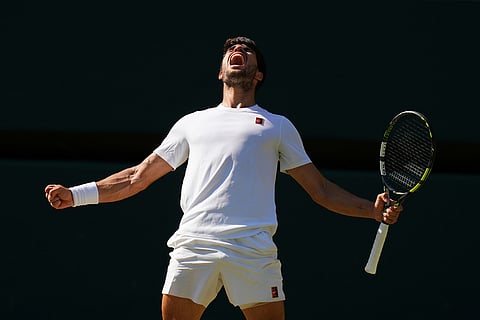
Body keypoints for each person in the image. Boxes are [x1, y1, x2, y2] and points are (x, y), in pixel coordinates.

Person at [44, 36, 403, 320]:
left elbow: (320, 189)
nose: (238, 51)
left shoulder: (277, 126)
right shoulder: (191, 122)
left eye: (247, 51)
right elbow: (138, 176)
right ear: (221, 72)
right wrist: (76, 194)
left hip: (252, 251)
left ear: (258, 74)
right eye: (232, 49)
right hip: (194, 246)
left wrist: (370, 211)